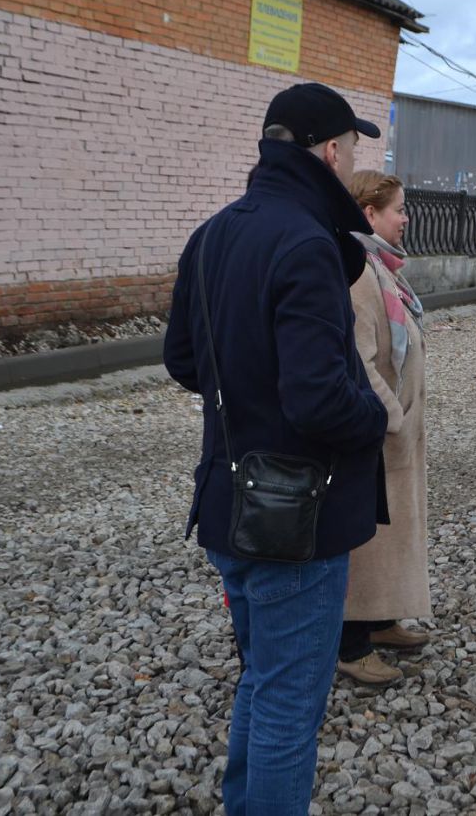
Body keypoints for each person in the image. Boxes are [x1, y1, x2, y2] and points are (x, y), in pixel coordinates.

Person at [164, 82, 389, 814]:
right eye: (352, 150)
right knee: (291, 705)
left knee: (261, 681)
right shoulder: (305, 243)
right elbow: (319, 398)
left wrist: (250, 388)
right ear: (328, 152)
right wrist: (373, 419)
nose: (354, 163)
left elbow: (185, 362)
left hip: (230, 504)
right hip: (294, 520)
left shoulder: (213, 233)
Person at [337, 171, 433, 689]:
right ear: (369, 214)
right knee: (368, 538)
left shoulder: (382, 266)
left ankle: (381, 620)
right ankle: (352, 643)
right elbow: (359, 358)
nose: (406, 216)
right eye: (397, 208)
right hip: (381, 435)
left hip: (398, 434)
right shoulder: (358, 274)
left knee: (395, 531)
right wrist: (392, 417)